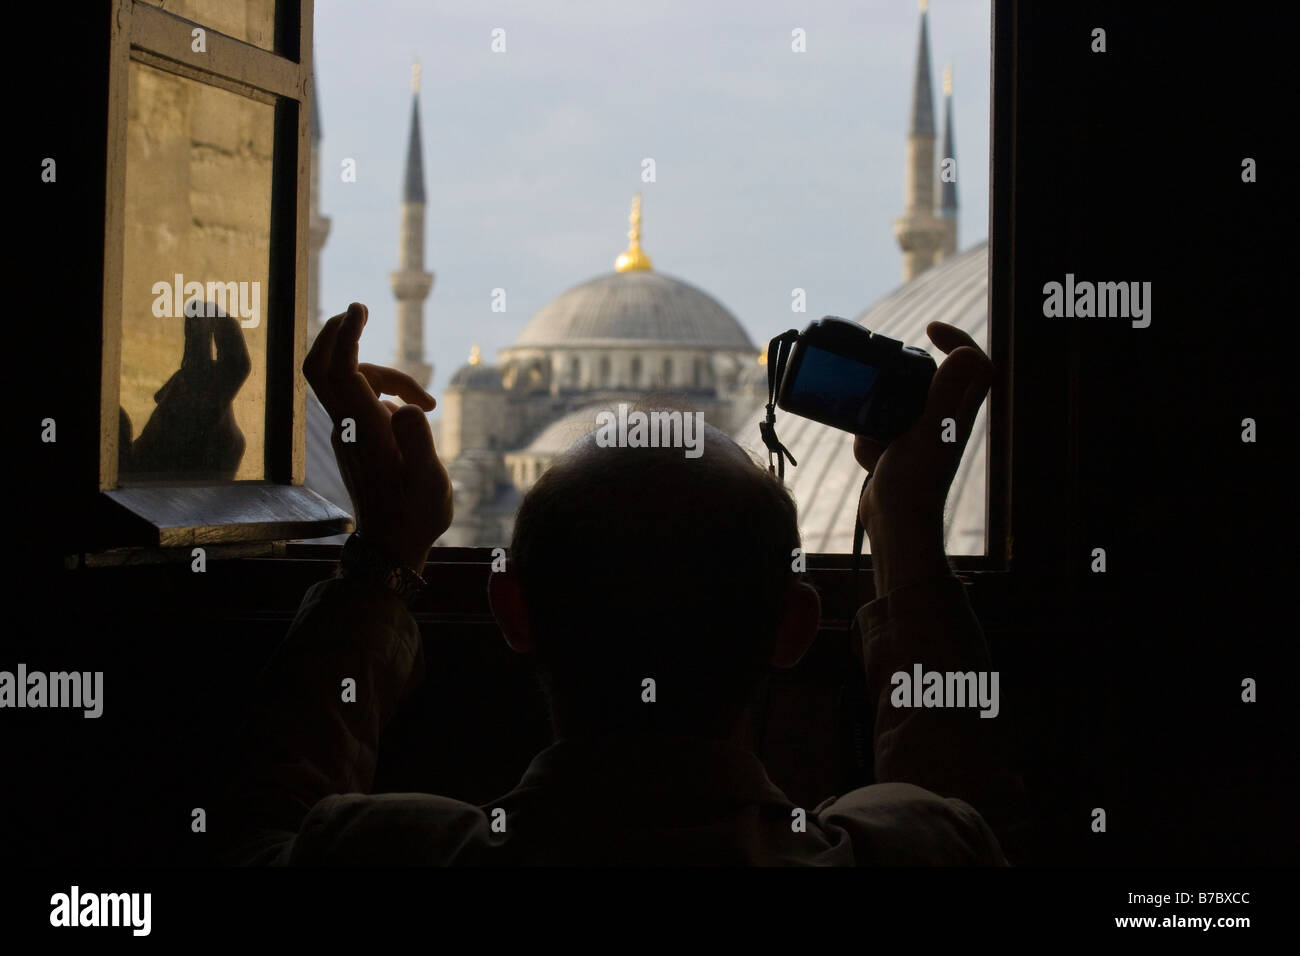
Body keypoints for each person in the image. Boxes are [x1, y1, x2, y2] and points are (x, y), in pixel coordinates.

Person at [225, 301, 1023, 866]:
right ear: (794, 627)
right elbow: (954, 809)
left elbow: (256, 827)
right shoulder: (910, 851)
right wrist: (909, 528)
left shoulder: (386, 852)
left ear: (512, 612)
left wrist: (382, 557)